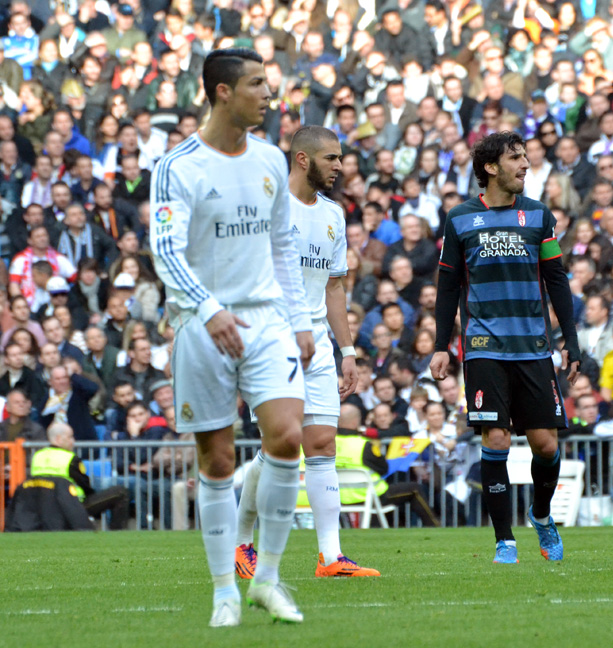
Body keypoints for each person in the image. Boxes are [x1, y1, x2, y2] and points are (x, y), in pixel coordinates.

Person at [151, 49, 315, 626]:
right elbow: (166, 250)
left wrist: (300, 321)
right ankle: (225, 590)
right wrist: (209, 308)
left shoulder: (272, 158)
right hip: (201, 323)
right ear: (222, 92)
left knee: (288, 436)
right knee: (217, 458)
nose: (268, 95)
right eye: (256, 84)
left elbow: (282, 247)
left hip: (267, 318)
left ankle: (266, 579)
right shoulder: (179, 166)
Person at [431, 131, 582, 564]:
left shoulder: (538, 217)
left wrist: (570, 341)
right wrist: (442, 344)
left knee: (546, 447)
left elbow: (557, 279)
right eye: (516, 158)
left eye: (526, 157)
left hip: (533, 347)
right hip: (483, 347)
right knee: (496, 438)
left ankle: (540, 514)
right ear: (491, 167)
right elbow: (447, 286)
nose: (525, 165)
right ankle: (504, 540)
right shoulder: (460, 219)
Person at [235, 126, 377, 580]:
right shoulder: (267, 210)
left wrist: (348, 350)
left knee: (321, 443)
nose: (340, 166)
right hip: (272, 340)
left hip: (318, 346)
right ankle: (241, 542)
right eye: (332, 158)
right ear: (302, 159)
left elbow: (335, 287)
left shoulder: (334, 215)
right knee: (283, 442)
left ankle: (330, 556)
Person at [29, 422, 130, 529]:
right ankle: (117, 534)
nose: (73, 441)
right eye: (70, 437)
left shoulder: (37, 456)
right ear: (58, 439)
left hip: (44, 507)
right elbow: (85, 487)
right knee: (120, 492)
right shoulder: (69, 458)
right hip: (72, 507)